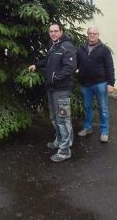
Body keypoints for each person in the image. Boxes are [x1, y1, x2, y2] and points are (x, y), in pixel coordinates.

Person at [28, 23, 77, 162]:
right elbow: (48, 60)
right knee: (54, 117)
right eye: (51, 31)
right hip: (52, 89)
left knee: (63, 119)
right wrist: (36, 65)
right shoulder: (53, 45)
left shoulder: (67, 47)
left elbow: (70, 68)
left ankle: (65, 150)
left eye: (56, 31)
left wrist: (55, 78)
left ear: (61, 31)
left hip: (62, 90)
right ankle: (60, 140)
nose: (53, 33)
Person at [76, 26, 115, 143]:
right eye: (90, 33)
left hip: (100, 83)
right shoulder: (81, 49)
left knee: (103, 108)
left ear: (98, 35)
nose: (92, 35)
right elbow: (76, 65)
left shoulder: (104, 50)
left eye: (94, 33)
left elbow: (110, 67)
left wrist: (111, 83)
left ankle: (104, 132)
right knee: (87, 107)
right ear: (87, 35)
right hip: (85, 84)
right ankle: (88, 128)